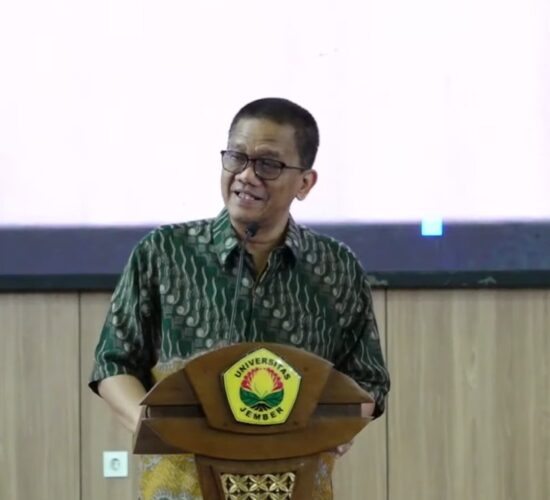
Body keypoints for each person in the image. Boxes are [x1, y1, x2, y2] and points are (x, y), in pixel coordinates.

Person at [89, 97, 390, 500]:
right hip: (183, 485)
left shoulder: (335, 266)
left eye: (268, 164)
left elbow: (368, 380)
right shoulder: (164, 252)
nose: (246, 175)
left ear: (305, 183)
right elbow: (114, 362)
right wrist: (148, 422)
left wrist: (341, 424)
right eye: (236, 157)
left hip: (296, 484)